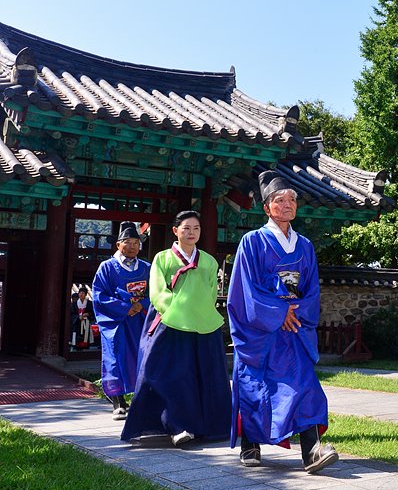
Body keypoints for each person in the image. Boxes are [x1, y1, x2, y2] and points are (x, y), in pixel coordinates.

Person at [227, 171, 338, 472]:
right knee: (256, 387)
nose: (287, 204)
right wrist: (278, 312)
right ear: (267, 207)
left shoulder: (305, 246)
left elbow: (312, 289)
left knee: (305, 386)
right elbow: (245, 290)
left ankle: (311, 451)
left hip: (294, 330)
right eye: (279, 200)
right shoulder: (251, 243)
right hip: (262, 332)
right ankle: (251, 443)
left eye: (292, 199)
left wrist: (295, 313)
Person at [120, 210, 231, 446]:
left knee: (203, 376)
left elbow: (211, 295)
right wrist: (178, 312)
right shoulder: (162, 258)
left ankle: (206, 427)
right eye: (186, 228)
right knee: (163, 373)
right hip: (170, 322)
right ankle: (175, 425)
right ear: (175, 231)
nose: (191, 233)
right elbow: (157, 292)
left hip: (203, 325)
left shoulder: (209, 261)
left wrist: (199, 313)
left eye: (196, 229)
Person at [92, 222, 151, 420]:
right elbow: (99, 296)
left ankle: (140, 399)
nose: (133, 246)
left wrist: (141, 304)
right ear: (118, 245)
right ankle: (118, 402)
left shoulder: (146, 268)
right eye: (128, 242)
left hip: (140, 321)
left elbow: (157, 293)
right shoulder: (107, 268)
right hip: (117, 322)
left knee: (142, 357)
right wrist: (126, 307)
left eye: (136, 242)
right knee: (115, 358)